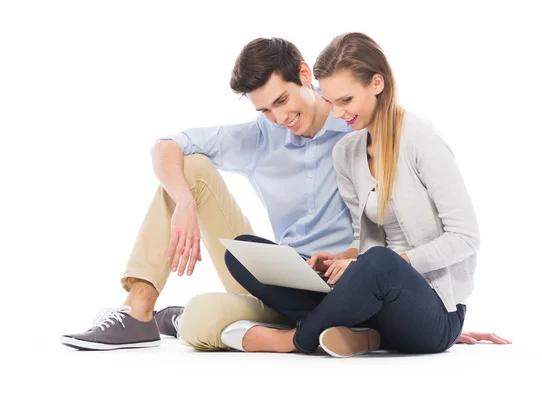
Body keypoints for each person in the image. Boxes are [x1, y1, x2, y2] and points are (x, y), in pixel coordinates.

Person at [60, 37, 508, 351]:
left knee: (201, 321)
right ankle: (142, 311)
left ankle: (279, 336)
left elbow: (433, 239)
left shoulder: (385, 129)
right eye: (265, 109)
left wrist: (430, 305)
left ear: (304, 75)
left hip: (374, 287)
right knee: (217, 212)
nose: (279, 118)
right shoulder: (326, 145)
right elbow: (166, 145)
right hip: (305, 280)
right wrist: (185, 201)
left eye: (282, 101)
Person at [220, 33, 511, 358]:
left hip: (435, 311)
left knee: (380, 263)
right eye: (330, 102)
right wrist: (341, 259)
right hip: (374, 294)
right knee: (245, 251)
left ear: (376, 83)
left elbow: (466, 237)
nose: (339, 113)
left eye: (346, 100)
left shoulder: (419, 138)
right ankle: (360, 333)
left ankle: (295, 340)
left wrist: (390, 262)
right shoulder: (348, 151)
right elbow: (366, 242)